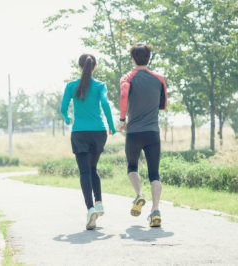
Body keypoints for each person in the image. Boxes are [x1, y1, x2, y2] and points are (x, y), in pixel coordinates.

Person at [60, 53, 116, 230]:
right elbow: (105, 104)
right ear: (95, 66)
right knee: (93, 168)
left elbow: (63, 109)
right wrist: (111, 126)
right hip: (98, 132)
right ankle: (99, 202)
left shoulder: (71, 86)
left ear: (79, 66)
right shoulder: (100, 86)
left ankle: (90, 208)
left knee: (85, 172)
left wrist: (68, 119)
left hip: (80, 133)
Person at [119, 43, 167, 227]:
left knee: (132, 167)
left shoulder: (128, 78)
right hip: (152, 132)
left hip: (134, 132)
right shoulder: (158, 78)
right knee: (154, 174)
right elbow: (163, 104)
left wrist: (123, 118)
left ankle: (139, 195)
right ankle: (155, 210)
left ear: (132, 59)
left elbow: (124, 96)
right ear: (149, 58)